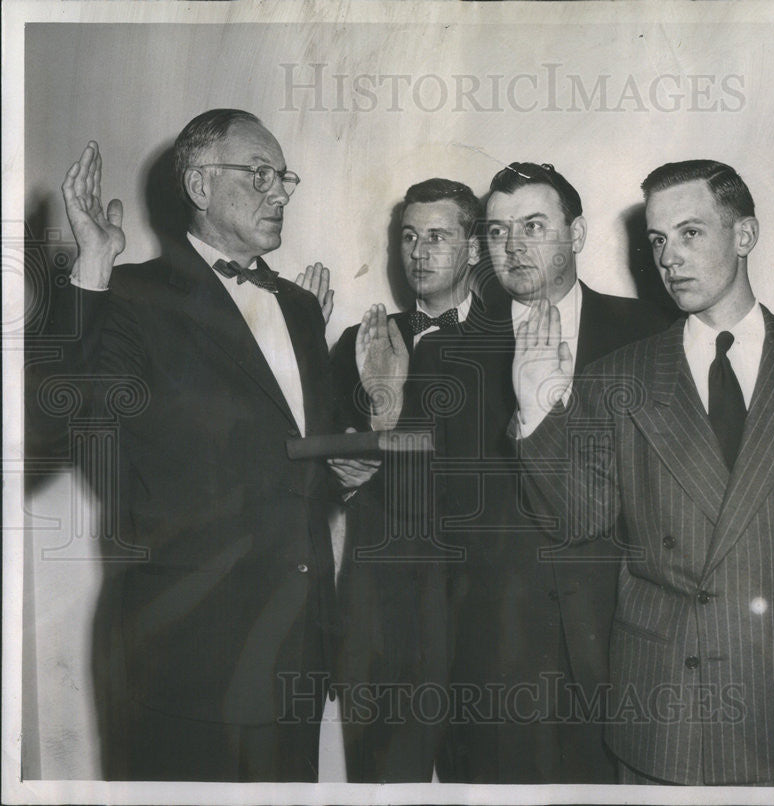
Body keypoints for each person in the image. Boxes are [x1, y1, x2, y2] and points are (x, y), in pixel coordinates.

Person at [513, 159, 774, 786]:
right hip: (664, 700)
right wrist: (536, 412)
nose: (668, 257)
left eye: (690, 233)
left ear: (745, 235)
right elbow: (579, 518)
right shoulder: (619, 377)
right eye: (656, 240)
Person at [54, 109, 375, 781]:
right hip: (186, 662)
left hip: (295, 657)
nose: (281, 191)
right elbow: (67, 414)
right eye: (259, 173)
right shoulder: (132, 294)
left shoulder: (295, 307)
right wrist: (91, 269)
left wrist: (344, 467)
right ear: (199, 186)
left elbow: (292, 451)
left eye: (283, 176)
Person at [427, 162, 670, 783]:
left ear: (578, 233)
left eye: (534, 225)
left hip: (631, 645)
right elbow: (428, 512)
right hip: (496, 658)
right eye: (499, 230)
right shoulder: (445, 353)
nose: (513, 246)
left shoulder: (655, 336)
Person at [328, 178, 488, 782]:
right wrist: (346, 465)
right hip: (384, 620)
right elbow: (318, 469)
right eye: (409, 237)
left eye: (439, 236)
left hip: (482, 618)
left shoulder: (513, 343)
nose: (419, 252)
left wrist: (387, 432)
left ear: (474, 250)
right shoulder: (355, 344)